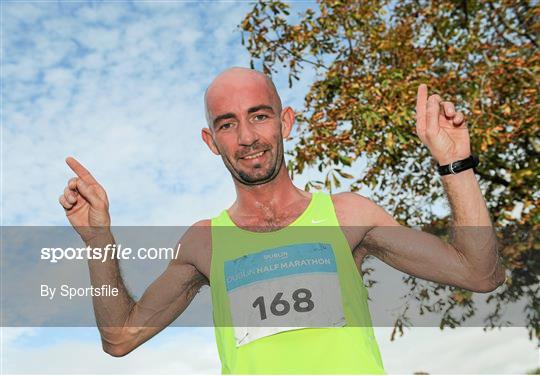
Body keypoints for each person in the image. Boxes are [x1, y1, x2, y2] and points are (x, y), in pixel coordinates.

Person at [59, 67, 506, 374]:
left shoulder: (348, 215)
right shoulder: (203, 244)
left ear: (285, 122)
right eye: (228, 124)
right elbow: (119, 339)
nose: (248, 137)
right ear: (210, 141)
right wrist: (99, 242)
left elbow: (479, 273)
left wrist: (456, 164)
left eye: (259, 115)